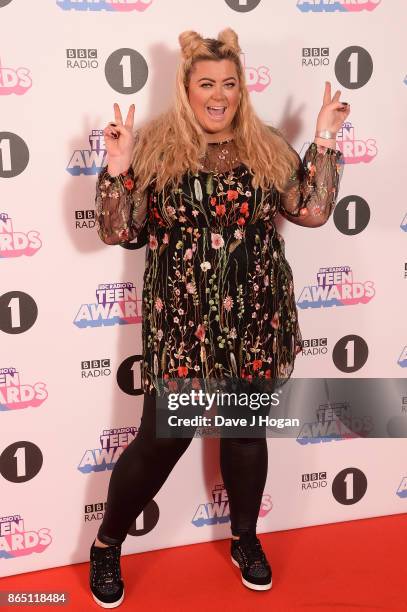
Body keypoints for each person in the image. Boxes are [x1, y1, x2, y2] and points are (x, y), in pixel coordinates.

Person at [89, 27, 349, 608]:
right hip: (181, 322)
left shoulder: (265, 144)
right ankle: (107, 545)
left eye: (229, 83)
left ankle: (245, 539)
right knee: (163, 439)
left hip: (254, 319)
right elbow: (118, 231)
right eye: (206, 82)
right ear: (186, 87)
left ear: (241, 89)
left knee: (244, 433)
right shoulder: (155, 146)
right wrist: (118, 166)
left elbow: (309, 209)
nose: (219, 94)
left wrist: (326, 137)